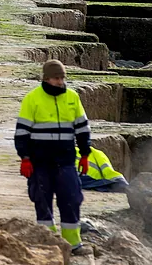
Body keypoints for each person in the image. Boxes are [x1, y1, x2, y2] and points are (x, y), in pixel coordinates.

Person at [15, 59, 91, 252]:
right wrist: (24, 158)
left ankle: (73, 244)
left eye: (62, 78)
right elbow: (22, 133)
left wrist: (84, 154)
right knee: (42, 201)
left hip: (65, 161)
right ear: (46, 78)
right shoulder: (32, 99)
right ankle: (47, 243)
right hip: (39, 163)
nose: (60, 82)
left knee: (72, 199)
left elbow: (82, 129)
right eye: (56, 78)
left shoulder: (72, 97)